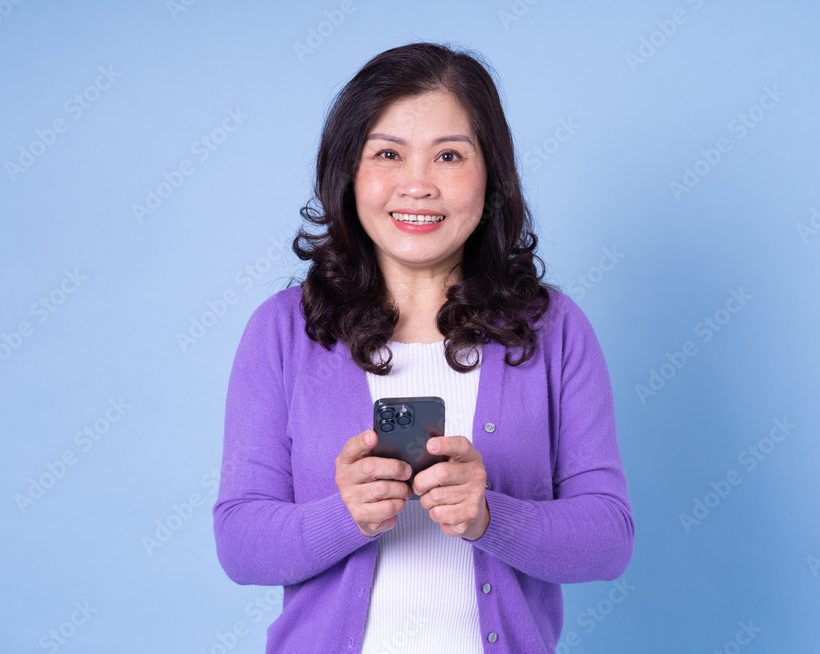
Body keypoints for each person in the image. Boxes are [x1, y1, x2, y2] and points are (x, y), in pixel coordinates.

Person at [213, 41, 634, 653]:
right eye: (387, 153)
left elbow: (609, 538)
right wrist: (345, 515)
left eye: (448, 156)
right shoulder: (284, 332)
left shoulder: (554, 330)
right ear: (348, 173)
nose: (417, 185)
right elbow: (240, 544)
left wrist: (490, 515)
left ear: (491, 175)